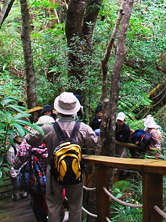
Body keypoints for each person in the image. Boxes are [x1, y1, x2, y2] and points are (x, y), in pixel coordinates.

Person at [26, 92, 99, 222]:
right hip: (76, 172)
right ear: (75, 110)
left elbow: (30, 140)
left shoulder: (48, 128)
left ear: (58, 110)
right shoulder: (83, 128)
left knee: (54, 205)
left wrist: (35, 127)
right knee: (75, 206)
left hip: (54, 171)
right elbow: (95, 143)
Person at [6, 135, 27, 201]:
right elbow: (9, 161)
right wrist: (12, 171)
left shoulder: (22, 144)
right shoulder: (10, 148)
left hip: (22, 167)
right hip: (14, 167)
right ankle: (16, 195)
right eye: (18, 137)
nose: (20, 138)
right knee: (15, 184)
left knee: (23, 181)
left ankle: (23, 192)